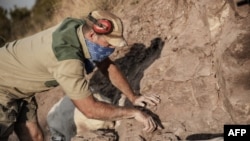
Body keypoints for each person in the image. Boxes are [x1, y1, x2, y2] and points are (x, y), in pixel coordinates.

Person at [0, 10, 161, 141]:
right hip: (2, 83)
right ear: (92, 35)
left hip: (20, 84)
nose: (112, 48)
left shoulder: (78, 28)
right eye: (109, 43)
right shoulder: (67, 59)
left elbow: (106, 65)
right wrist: (133, 112)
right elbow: (89, 110)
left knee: (34, 137)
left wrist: (133, 97)